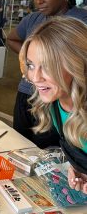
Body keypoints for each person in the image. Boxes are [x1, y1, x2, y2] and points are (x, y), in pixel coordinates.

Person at [7, 0, 87, 148]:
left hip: (63, 99)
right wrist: (28, 62)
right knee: (19, 143)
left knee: (51, 150)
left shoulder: (80, 23)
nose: (39, 0)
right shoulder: (33, 19)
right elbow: (12, 39)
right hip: (28, 93)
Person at [19, 17, 87, 194]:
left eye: (47, 66)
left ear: (76, 64)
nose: (35, 78)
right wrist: (79, 168)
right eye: (31, 65)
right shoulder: (54, 105)